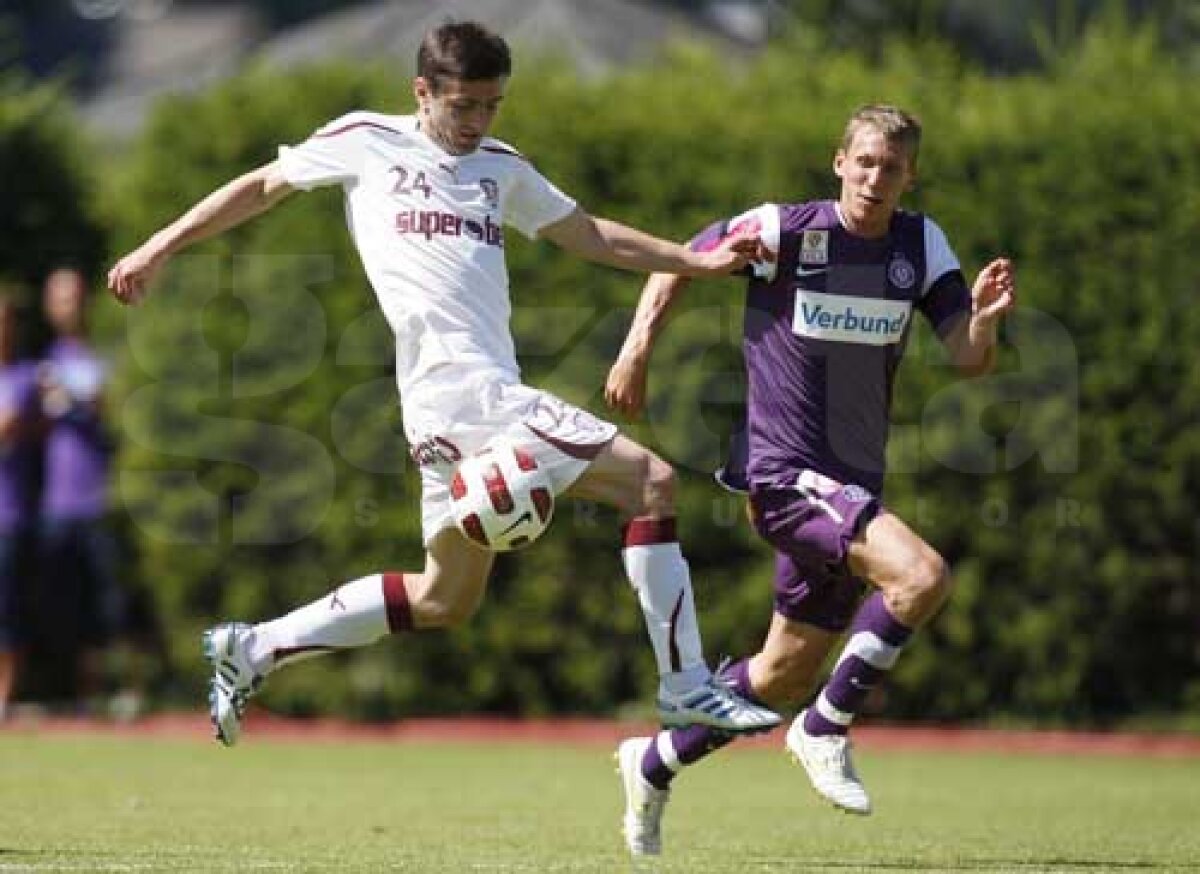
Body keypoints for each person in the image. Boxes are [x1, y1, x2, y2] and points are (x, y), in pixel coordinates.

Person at [107, 19, 781, 746]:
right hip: (471, 396)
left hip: (442, 408)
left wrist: (693, 261)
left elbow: (588, 233)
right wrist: (159, 244)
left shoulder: (500, 166)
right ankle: (686, 685)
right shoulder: (367, 138)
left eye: (492, 106)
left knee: (443, 599)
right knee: (650, 483)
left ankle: (255, 647)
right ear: (421, 92)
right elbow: (262, 188)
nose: (477, 121)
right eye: (463, 106)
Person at [605, 104, 1016, 855]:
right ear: (839, 163)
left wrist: (983, 321)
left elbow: (967, 358)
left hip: (852, 486)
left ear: (910, 175)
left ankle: (654, 762)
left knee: (782, 675)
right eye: (865, 162)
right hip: (785, 475)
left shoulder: (920, 244)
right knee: (921, 576)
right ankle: (824, 729)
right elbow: (683, 259)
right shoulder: (785, 231)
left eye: (892, 167)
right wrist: (636, 351)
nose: (875, 178)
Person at [37, 267, 128, 711]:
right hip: (57, 502)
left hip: (98, 497)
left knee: (111, 601)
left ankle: (125, 691)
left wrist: (72, 400)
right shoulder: (43, 362)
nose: (67, 307)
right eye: (59, 299)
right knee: (64, 603)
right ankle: (79, 698)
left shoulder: (102, 357)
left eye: (73, 297)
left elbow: (105, 407)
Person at [0, 295, 42, 720]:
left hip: (7, 512)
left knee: (5, 608)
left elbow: (7, 424)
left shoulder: (24, 378)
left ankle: (4, 698)